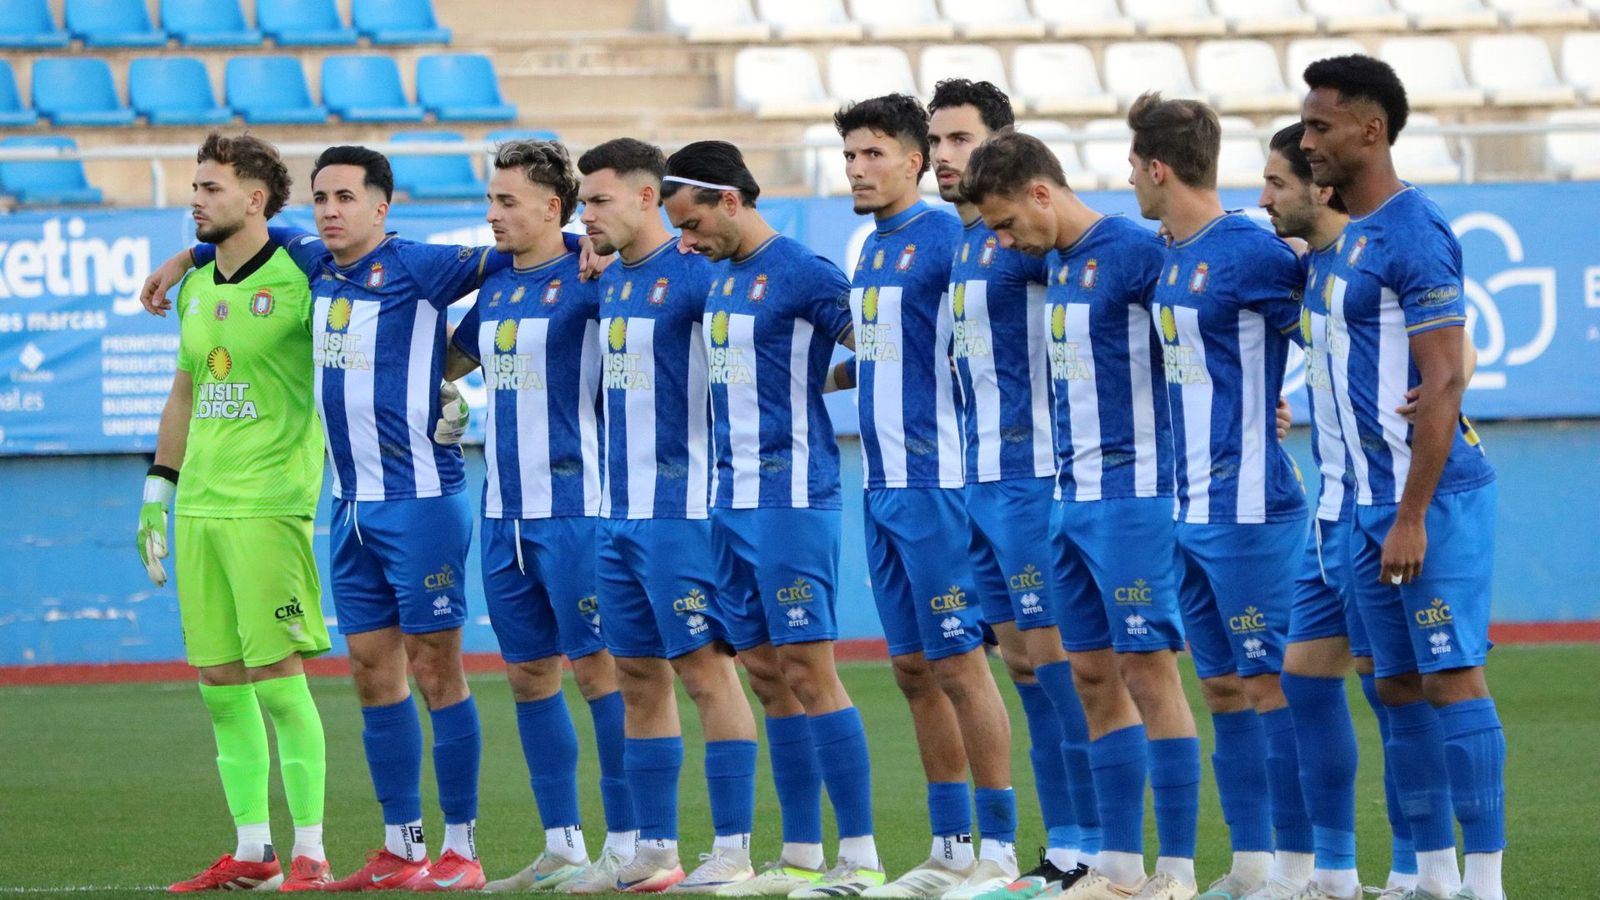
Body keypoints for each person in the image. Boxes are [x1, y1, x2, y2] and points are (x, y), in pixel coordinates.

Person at [963, 130, 1206, 900]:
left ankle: (1176, 871)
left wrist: (1263, 400)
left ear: (1042, 193)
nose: (1003, 243)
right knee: (1092, 675)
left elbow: (1201, 341)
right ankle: (1119, 869)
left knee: (1150, 674)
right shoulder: (1058, 259)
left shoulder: (1135, 251)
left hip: (1136, 495)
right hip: (1070, 499)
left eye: (1006, 224)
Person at [1301, 55, 1504, 900]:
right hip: (1358, 506)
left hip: (1426, 503)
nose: (1308, 140)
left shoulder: (1416, 229)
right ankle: (1431, 878)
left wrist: (1411, 515)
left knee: (1451, 675)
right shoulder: (1356, 236)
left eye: (1320, 125)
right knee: (1393, 684)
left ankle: (1486, 885)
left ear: (1370, 129)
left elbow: (1445, 378)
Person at [659, 139, 884, 898]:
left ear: (731, 199)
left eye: (693, 224)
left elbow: (885, 349)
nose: (686, 242)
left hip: (793, 498)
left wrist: (829, 381)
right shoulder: (715, 274)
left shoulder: (804, 272)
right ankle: (798, 857)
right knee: (764, 675)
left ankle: (861, 858)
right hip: (729, 501)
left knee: (810, 673)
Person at [1127, 93, 1318, 900]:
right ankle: (1249, 864)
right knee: (1220, 687)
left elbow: (1335, 332)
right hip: (1188, 509)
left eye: (1133, 164)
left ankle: (1306, 869)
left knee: (1272, 682)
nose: (1128, 179)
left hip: (1252, 511)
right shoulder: (1168, 251)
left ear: (1159, 168)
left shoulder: (1255, 250)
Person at [829, 93, 1019, 900]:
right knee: (910, 667)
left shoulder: (950, 239)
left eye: (875, 154)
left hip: (939, 482)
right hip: (880, 487)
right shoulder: (873, 250)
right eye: (849, 156)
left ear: (914, 162)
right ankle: (948, 848)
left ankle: (1001, 852)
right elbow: (880, 356)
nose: (858, 170)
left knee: (959, 663)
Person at [440, 139, 638, 893]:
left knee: (599, 671)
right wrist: (441, 394)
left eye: (507, 201)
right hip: (505, 513)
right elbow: (448, 364)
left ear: (554, 209)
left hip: (578, 510)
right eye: (490, 201)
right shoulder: (491, 291)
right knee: (528, 677)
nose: (492, 215)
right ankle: (562, 843)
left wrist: (607, 259)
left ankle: (628, 844)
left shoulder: (593, 280)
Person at [140, 133, 333, 893]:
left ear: (254, 199)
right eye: (193, 186)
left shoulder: (302, 272)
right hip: (201, 507)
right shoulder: (194, 285)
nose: (194, 198)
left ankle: (312, 852)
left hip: (269, 502)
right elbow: (186, 390)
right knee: (219, 681)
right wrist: (158, 490)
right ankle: (255, 853)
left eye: (210, 188)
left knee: (278, 679)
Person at [925, 78, 1096, 900]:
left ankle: (1094, 848)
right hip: (977, 484)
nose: (943, 157)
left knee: (1060, 665)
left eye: (960, 140)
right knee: (1024, 671)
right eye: (936, 142)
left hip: (1036, 478)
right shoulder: (961, 241)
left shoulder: (1035, 239)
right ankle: (1061, 846)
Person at [577, 137, 763, 894]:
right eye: (583, 203)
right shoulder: (609, 277)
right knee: (635, 675)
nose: (585, 216)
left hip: (683, 513)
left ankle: (734, 848)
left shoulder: (696, 275)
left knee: (705, 674)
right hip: (615, 514)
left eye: (598, 201)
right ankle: (654, 849)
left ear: (649, 198)